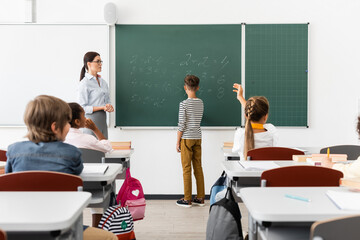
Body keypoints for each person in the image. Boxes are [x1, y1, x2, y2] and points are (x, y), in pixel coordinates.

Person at [5, 95, 117, 240]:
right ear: (55, 127)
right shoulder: (71, 153)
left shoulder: (14, 151)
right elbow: (76, 174)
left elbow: (9, 182)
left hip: (17, 230)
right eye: (67, 123)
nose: (69, 127)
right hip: (62, 231)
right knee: (110, 238)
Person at [176, 75, 205, 208]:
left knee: (186, 169)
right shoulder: (201, 102)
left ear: (185, 87)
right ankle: (200, 197)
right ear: (197, 87)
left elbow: (181, 124)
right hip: (197, 137)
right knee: (198, 167)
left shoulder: (183, 104)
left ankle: (187, 199)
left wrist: (178, 141)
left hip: (187, 138)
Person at [232, 83, 278, 160]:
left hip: (244, 172)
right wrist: (240, 98)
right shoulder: (272, 132)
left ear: (246, 115)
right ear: (266, 116)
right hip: (266, 171)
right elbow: (253, 111)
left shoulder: (240, 134)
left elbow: (251, 111)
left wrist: (240, 97)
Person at [78, 51, 114, 139]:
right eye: (97, 61)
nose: (100, 64)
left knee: (103, 149)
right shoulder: (84, 83)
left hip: (102, 121)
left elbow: (107, 101)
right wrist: (101, 107)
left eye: (101, 61)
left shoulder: (103, 82)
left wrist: (109, 106)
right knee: (91, 151)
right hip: (90, 123)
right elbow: (82, 108)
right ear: (89, 64)